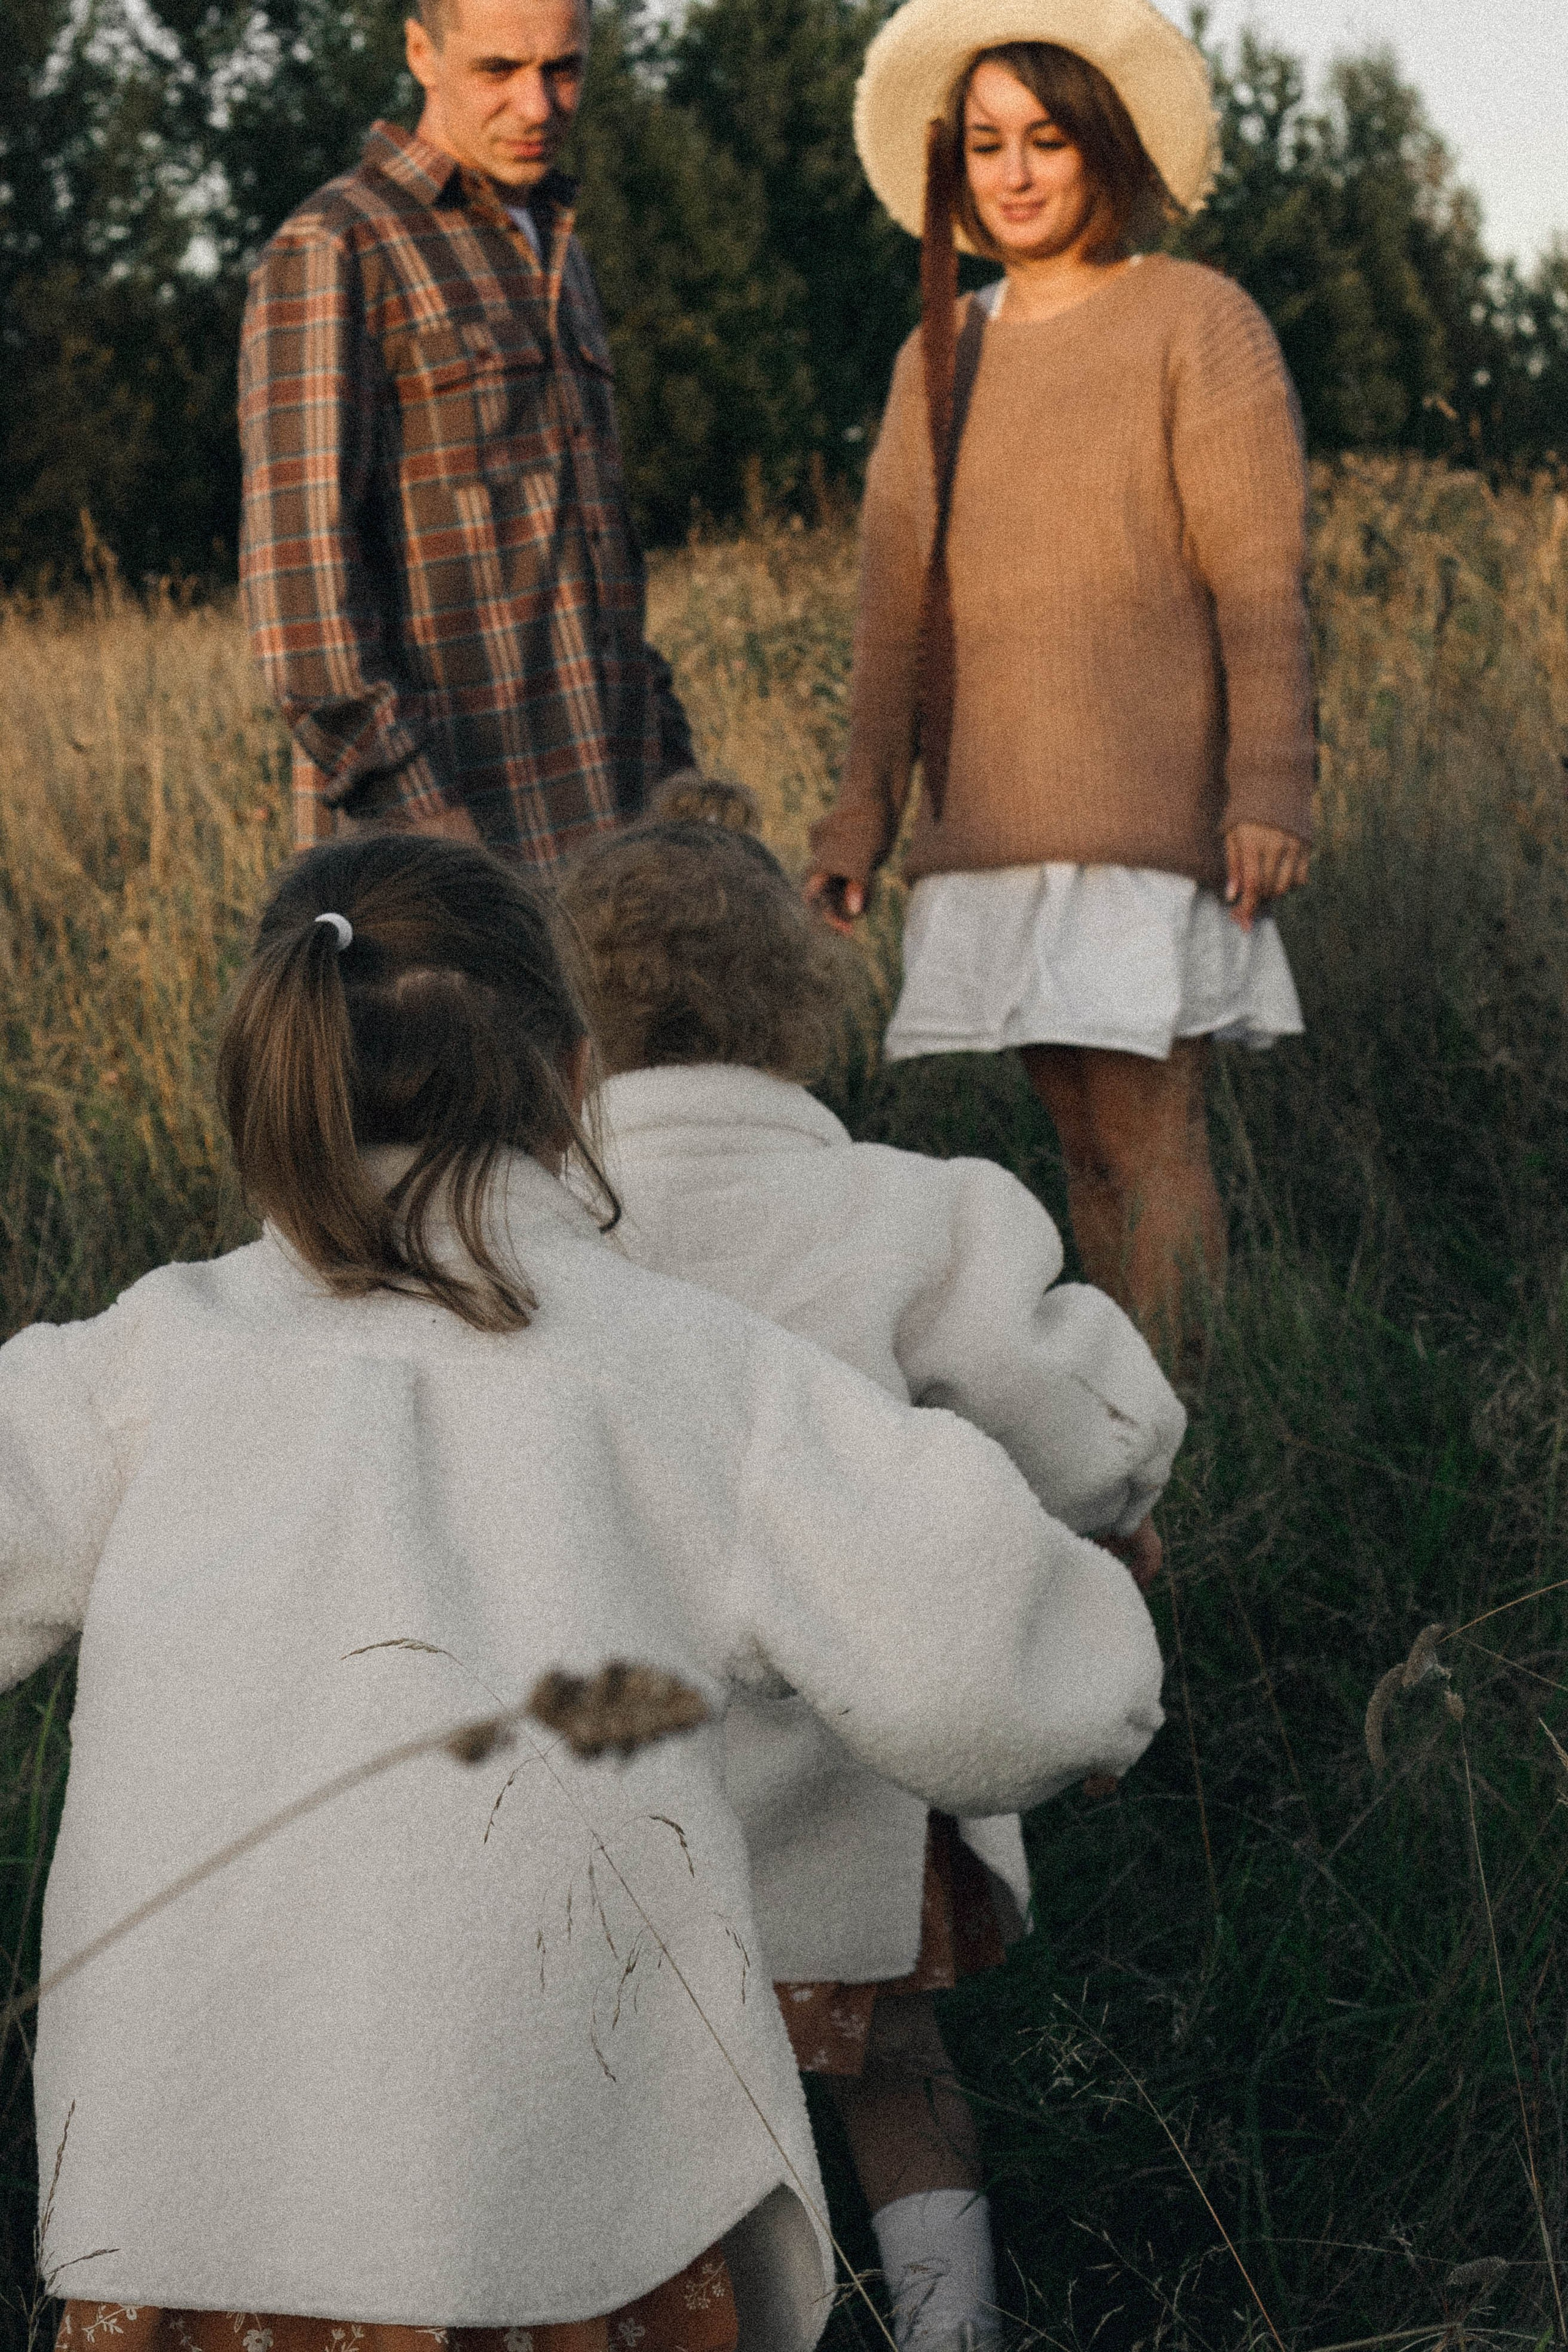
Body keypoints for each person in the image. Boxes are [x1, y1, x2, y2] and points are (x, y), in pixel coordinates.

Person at [6, 834, 1165, 2352]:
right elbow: (982, 1664)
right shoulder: (689, 1370)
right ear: (568, 1076)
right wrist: (1103, 1661)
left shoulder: (140, 1365)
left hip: (187, 2179)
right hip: (562, 2184)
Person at [557, 783, 1185, 2352]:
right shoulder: (907, 1212)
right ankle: (946, 2330)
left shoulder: (535, 1225)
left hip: (600, 1765)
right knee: (897, 2065)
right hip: (854, 1758)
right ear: (796, 1004)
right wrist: (1116, 1507)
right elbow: (1076, 1413)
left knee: (640, 2091)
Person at [807, 0, 1315, 1363]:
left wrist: (1268, 783)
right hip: (993, 828)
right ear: (950, 165)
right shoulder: (940, 351)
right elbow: (892, 618)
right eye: (983, 143)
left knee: (1149, 1142)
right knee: (1080, 1148)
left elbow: (1257, 580)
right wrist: (860, 816)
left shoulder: (1192, 321)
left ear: (1102, 147)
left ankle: (1204, 1441)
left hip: (1148, 828)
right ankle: (1126, 1438)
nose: (1014, 172)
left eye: (1044, 138)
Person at [237, 0, 693, 866]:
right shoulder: (336, 248)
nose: (537, 106)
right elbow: (303, 603)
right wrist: (428, 830)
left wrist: (675, 786)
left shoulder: (558, 250)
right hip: (446, 865)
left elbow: (604, 575)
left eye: (564, 69)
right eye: (498, 71)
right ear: (421, 51)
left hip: (607, 837)